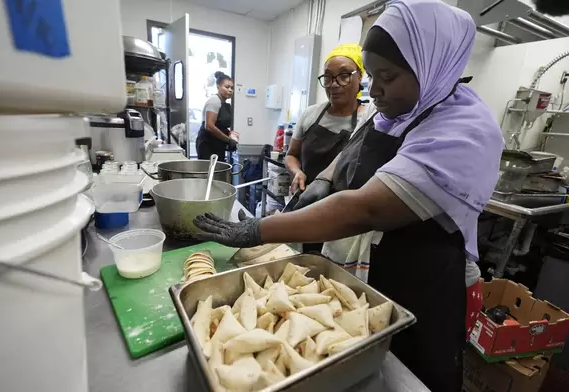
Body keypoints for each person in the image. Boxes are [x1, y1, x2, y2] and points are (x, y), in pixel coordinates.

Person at [194, 1, 504, 390]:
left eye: (386, 76)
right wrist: (323, 179)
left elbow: (368, 208)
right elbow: (351, 152)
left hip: (423, 288)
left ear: (430, 65)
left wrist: (259, 230)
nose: (373, 90)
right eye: (372, 76)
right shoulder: (395, 110)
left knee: (405, 379)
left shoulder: (465, 133)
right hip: (369, 278)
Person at [286, 44, 365, 192]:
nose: (334, 84)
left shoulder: (368, 121)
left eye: (344, 76)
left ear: (360, 77)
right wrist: (297, 172)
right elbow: (291, 155)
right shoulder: (310, 114)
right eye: (328, 77)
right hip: (304, 198)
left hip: (344, 207)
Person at [196, 71, 237, 161]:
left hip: (217, 144)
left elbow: (221, 126)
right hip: (208, 145)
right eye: (227, 87)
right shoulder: (214, 101)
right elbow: (209, 126)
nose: (230, 90)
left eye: (232, 88)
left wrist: (231, 135)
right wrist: (228, 140)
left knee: (218, 172)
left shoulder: (225, 104)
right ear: (218, 86)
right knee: (210, 172)